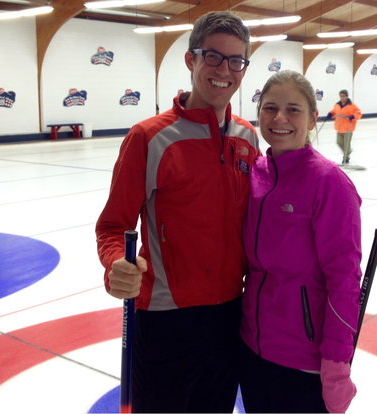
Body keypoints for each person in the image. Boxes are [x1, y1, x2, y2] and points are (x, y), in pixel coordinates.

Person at [95, 11, 259, 413]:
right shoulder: (149, 138)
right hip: (165, 320)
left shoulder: (248, 137)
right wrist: (117, 263)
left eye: (236, 60)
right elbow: (112, 226)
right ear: (191, 59)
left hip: (229, 315)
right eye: (214, 57)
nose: (225, 70)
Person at [239, 70, 362, 413]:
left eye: (293, 109)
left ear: (312, 119)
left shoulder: (330, 184)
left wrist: (337, 364)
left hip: (302, 360)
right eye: (269, 108)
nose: (279, 118)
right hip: (252, 348)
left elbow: (344, 281)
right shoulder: (256, 172)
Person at [326, 89, 362, 165]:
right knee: (338, 142)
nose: (342, 98)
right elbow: (334, 111)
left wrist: (353, 116)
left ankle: (346, 158)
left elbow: (358, 113)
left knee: (346, 145)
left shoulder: (351, 105)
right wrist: (330, 113)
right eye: (341, 96)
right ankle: (348, 151)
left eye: (344, 96)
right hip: (339, 128)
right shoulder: (337, 105)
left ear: (347, 96)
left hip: (348, 128)